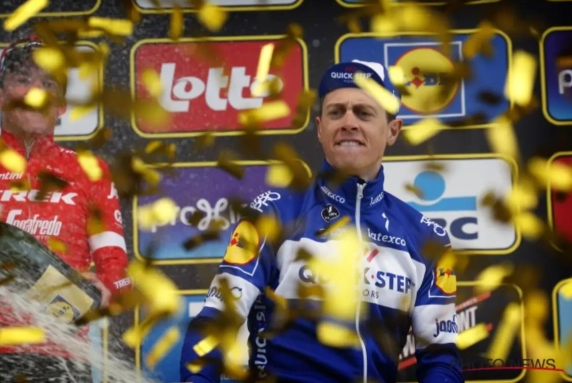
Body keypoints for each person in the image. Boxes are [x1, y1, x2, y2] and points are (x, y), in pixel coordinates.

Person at [179, 60, 464, 383]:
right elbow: (216, 320)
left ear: (392, 130)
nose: (348, 122)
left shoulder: (427, 238)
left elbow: (440, 358)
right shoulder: (273, 214)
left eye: (364, 113)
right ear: (320, 128)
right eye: (336, 112)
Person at [0, 37, 132, 382]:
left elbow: (117, 273)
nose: (36, 92)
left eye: (48, 83)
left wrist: (105, 288)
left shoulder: (90, 171)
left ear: (61, 106)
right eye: (23, 79)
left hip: (63, 360)